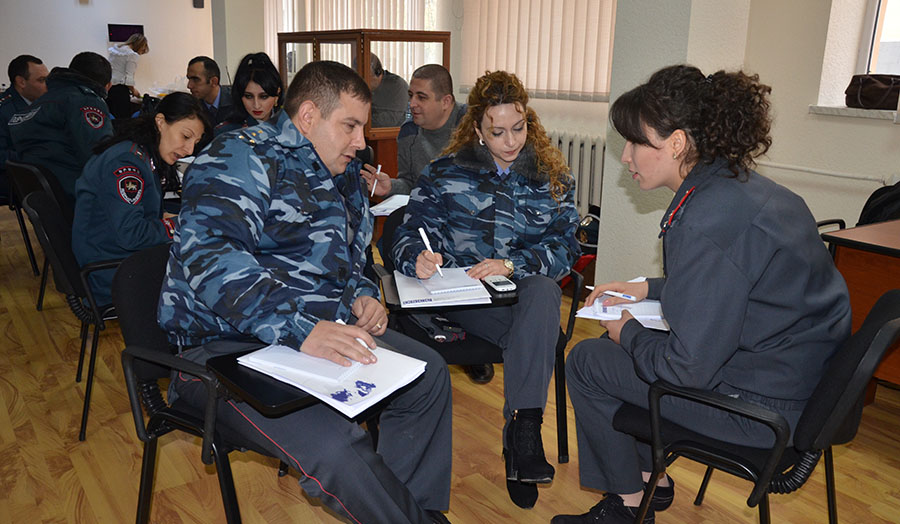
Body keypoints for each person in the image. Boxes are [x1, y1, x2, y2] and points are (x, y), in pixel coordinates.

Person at [552, 65, 852, 524]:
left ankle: (629, 504)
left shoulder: (703, 221)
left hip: (760, 413)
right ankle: (652, 480)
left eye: (635, 142)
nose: (626, 156)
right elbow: (738, 283)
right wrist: (647, 289)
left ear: (676, 143)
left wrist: (627, 332)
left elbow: (686, 369)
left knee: (589, 361)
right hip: (804, 390)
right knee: (622, 353)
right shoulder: (746, 188)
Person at [157, 60, 453, 524]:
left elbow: (353, 258)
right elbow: (212, 258)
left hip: (313, 334)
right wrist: (300, 329)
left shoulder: (342, 172)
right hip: (220, 349)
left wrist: (362, 294)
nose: (361, 142)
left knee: (427, 374)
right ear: (310, 116)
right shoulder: (240, 156)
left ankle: (407, 512)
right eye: (350, 126)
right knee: (335, 445)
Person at [391, 70, 580, 509]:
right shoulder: (444, 174)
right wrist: (416, 258)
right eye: (497, 132)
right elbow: (407, 233)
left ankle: (523, 428)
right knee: (536, 325)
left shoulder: (552, 178)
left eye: (519, 128)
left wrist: (513, 265)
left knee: (542, 291)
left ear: (529, 122)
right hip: (466, 302)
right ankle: (522, 439)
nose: (511, 141)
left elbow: (566, 247)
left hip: (524, 298)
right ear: (477, 128)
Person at [72, 92, 210, 306]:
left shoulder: (137, 152)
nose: (189, 149)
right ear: (160, 122)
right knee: (209, 271)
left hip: (114, 259)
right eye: (185, 136)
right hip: (112, 273)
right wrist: (183, 224)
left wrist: (173, 219)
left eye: (195, 142)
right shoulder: (126, 163)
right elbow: (131, 234)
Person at [9, 51, 113, 204]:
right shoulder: (86, 100)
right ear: (108, 86)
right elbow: (99, 155)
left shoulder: (37, 106)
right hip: (79, 197)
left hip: (50, 199)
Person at [362, 64, 465, 198]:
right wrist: (391, 187)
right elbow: (410, 184)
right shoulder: (409, 132)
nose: (412, 104)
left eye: (421, 97)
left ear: (446, 101)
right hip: (429, 207)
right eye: (411, 95)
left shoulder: (473, 126)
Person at [0, 54, 49, 204]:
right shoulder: (4, 110)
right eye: (41, 80)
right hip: (13, 177)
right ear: (21, 82)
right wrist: (33, 157)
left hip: (39, 170)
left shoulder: (45, 104)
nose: (47, 86)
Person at [214, 52, 282, 136]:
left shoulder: (290, 126)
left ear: (277, 94)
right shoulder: (227, 132)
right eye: (249, 96)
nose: (256, 105)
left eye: (263, 97)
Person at [107, 33, 149, 118]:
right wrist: (134, 91)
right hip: (120, 91)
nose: (140, 53)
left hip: (109, 88)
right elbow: (128, 78)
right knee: (122, 119)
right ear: (140, 45)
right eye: (142, 51)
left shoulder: (115, 51)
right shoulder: (132, 55)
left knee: (112, 117)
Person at [365, 53, 409, 127]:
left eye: (366, 77)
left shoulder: (397, 85)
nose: (362, 81)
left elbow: (389, 121)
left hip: (391, 133)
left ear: (378, 72)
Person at [186, 55, 232, 126]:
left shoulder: (237, 100)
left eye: (196, 79)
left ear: (213, 81)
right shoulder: (193, 107)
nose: (189, 86)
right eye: (189, 79)